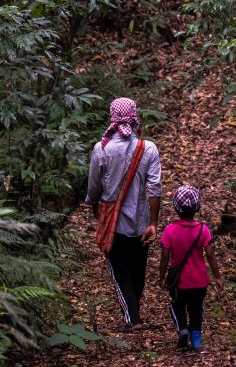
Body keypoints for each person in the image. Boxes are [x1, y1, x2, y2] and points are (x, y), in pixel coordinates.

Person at [85, 97, 162, 329]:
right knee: (138, 270)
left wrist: (96, 209)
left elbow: (94, 187)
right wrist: (154, 223)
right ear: (134, 116)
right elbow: (155, 188)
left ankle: (132, 318)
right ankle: (133, 312)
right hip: (140, 222)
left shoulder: (102, 149)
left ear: (112, 117)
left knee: (119, 269)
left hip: (115, 224)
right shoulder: (148, 148)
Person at [157, 185, 224, 352]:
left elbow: (165, 256)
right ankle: (196, 340)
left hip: (179, 282)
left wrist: (162, 277)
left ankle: (183, 329)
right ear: (197, 208)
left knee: (176, 305)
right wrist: (218, 277)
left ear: (175, 207)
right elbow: (210, 255)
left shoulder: (169, 230)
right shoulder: (203, 230)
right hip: (200, 281)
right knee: (196, 309)